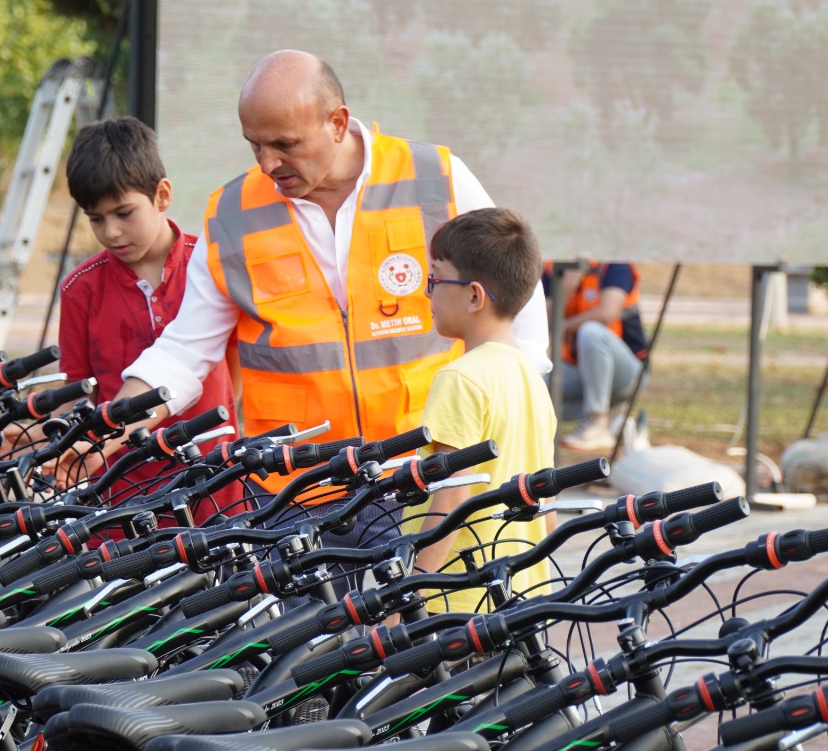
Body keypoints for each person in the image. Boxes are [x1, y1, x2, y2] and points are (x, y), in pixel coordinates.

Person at [94, 50, 550, 516]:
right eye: (255, 145)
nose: (268, 163)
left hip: (424, 474)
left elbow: (516, 301)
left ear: (337, 123)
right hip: (294, 489)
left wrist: (520, 405)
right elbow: (184, 351)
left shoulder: (438, 177)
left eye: (285, 144)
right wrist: (110, 425)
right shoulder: (230, 214)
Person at [52, 116, 242, 519]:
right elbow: (77, 393)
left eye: (124, 213)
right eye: (96, 219)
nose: (113, 233)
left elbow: (239, 377)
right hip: (121, 490)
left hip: (216, 481)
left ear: (162, 195)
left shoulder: (210, 265)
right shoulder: (79, 290)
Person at [411, 208, 555, 609]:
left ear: (473, 295)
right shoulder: (529, 377)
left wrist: (409, 595)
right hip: (518, 595)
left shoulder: (461, 378)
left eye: (435, 280)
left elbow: (452, 498)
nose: (428, 294)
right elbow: (546, 498)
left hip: (456, 602)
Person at [549, 261, 648, 452]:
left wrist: (563, 327)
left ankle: (597, 422)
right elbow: (542, 320)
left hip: (627, 375)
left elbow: (607, 313)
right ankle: (615, 419)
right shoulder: (554, 268)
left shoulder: (615, 266)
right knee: (534, 383)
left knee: (591, 332)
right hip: (579, 372)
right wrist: (568, 284)